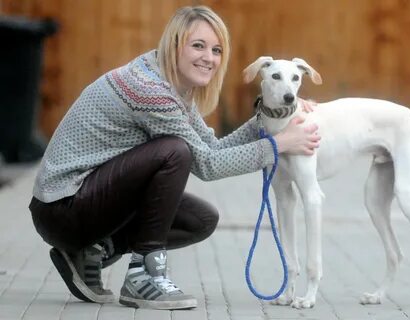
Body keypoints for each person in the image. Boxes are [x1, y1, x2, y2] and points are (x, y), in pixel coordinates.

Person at [28, 5, 320, 310]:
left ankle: (93, 250)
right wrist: (279, 144)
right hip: (61, 208)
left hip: (84, 203)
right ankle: (143, 277)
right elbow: (207, 165)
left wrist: (271, 117)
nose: (209, 57)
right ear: (174, 44)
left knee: (200, 219)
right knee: (173, 152)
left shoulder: (172, 85)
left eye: (217, 49)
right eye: (198, 45)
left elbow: (212, 147)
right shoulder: (150, 90)